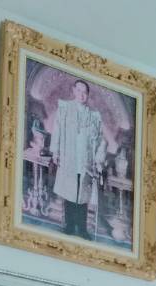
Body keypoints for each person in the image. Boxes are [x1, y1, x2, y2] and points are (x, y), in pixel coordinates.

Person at [50, 78, 104, 240]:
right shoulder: (65, 109)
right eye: (79, 91)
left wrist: (98, 160)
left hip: (85, 160)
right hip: (69, 157)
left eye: (85, 92)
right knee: (69, 192)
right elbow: (57, 129)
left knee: (83, 195)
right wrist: (55, 151)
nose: (81, 95)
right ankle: (69, 226)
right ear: (73, 91)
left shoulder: (94, 116)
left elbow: (100, 139)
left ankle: (82, 228)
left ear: (87, 95)